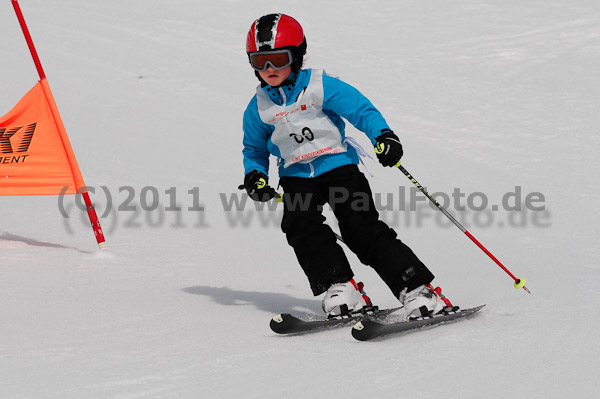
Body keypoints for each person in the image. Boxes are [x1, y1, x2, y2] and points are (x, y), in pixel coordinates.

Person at [241, 13, 453, 319]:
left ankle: (418, 289)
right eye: (260, 62)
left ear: (298, 54)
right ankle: (341, 287)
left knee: (360, 229)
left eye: (277, 59)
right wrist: (255, 175)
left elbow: (361, 110)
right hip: (296, 177)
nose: (269, 69)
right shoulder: (259, 106)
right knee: (301, 226)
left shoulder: (319, 86)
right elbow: (254, 148)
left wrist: (384, 136)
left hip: (338, 169)